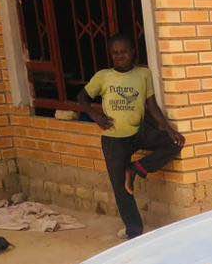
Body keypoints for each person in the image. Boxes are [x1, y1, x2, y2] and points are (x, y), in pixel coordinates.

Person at [77, 33, 185, 238]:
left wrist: (168, 128)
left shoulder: (143, 74)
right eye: (115, 53)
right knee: (121, 188)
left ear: (133, 51)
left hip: (139, 132)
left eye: (124, 52)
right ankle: (134, 232)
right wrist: (95, 115)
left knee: (174, 143)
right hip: (113, 139)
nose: (120, 56)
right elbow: (82, 97)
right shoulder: (103, 76)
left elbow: (151, 105)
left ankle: (136, 169)